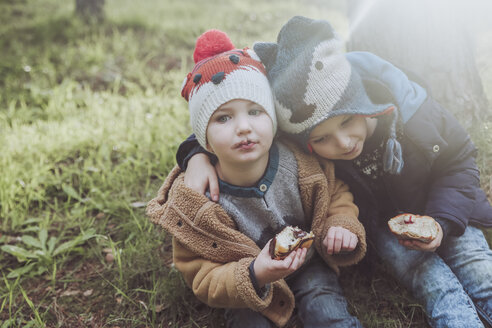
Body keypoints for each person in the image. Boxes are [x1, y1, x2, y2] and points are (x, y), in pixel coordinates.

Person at [177, 17, 492, 328]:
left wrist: (443, 221)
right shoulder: (292, 129)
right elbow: (232, 112)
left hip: (447, 208)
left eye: (347, 122)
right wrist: (195, 154)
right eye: (321, 139)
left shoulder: (414, 114)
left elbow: (459, 160)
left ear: (364, 105)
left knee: (480, 270)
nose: (343, 144)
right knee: (433, 282)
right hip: (383, 226)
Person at [147, 29, 367, 328]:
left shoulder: (299, 164)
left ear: (274, 122)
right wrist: (255, 274)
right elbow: (201, 274)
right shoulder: (196, 199)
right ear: (204, 139)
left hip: (307, 263)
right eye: (223, 118)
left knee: (326, 307)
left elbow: (335, 194)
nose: (244, 127)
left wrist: (341, 225)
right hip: (246, 288)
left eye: (254, 111)